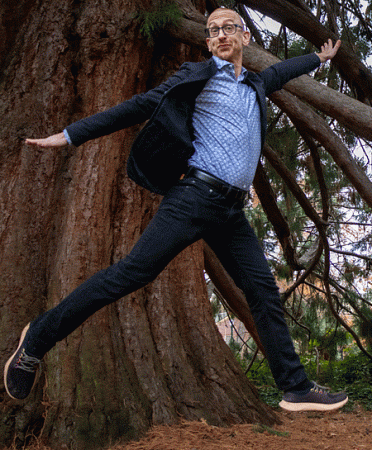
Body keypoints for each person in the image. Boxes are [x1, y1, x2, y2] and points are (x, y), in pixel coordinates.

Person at [4, 7, 346, 412]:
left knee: (262, 290)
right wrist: (69, 135)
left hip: (231, 211)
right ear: (207, 42)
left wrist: (318, 59)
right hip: (194, 197)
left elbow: (282, 71)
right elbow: (136, 107)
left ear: (245, 36)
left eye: (228, 28)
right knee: (131, 273)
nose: (221, 35)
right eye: (213, 30)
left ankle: (295, 387)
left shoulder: (255, 84)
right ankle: (37, 340)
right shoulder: (197, 77)